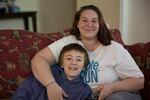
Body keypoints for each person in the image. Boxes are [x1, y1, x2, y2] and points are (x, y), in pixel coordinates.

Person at [31, 5, 144, 100]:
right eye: (84, 20)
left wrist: (113, 87)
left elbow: (139, 81)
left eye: (94, 21)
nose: (89, 24)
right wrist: (51, 85)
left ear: (99, 25)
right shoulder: (68, 42)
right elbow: (39, 59)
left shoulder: (114, 48)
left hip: (117, 95)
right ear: (77, 24)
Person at [12, 43, 92, 100]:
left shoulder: (85, 90)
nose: (73, 62)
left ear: (84, 66)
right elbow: (25, 88)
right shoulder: (50, 74)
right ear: (61, 64)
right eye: (69, 58)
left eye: (78, 59)